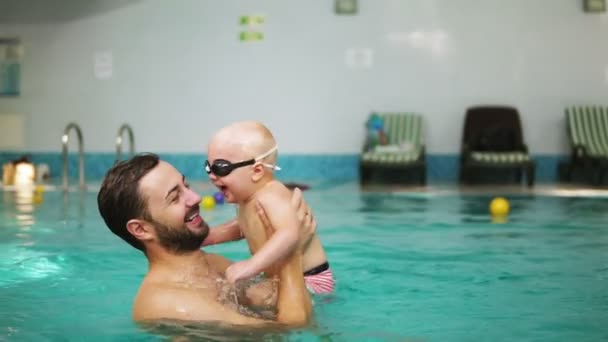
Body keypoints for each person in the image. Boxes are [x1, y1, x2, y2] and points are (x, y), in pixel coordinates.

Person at [97, 153, 314, 326]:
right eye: (175, 197)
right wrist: (291, 251)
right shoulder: (166, 302)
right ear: (141, 229)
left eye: (186, 186)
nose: (195, 198)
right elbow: (288, 332)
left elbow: (274, 297)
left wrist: (274, 233)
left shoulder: (211, 264)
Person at [205, 121, 334, 294]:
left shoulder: (272, 194)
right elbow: (245, 227)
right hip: (281, 277)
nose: (212, 176)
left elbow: (289, 233)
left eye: (220, 168)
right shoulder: (248, 199)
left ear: (257, 171)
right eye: (208, 167)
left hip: (311, 279)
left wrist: (251, 265)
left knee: (248, 296)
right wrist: (209, 237)